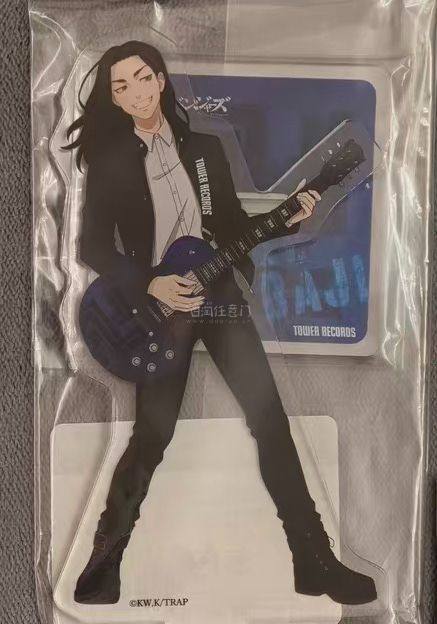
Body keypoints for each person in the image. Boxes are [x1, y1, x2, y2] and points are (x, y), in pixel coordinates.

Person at [65, 40, 377, 606]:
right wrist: (150, 283)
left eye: (142, 78)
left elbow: (231, 227)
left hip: (219, 296)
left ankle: (314, 560)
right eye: (120, 87)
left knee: (270, 421)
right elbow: (91, 246)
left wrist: (289, 217)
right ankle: (103, 566)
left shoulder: (205, 150)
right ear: (113, 99)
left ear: (161, 79)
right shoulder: (112, 161)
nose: (136, 93)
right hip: (158, 311)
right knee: (153, 435)